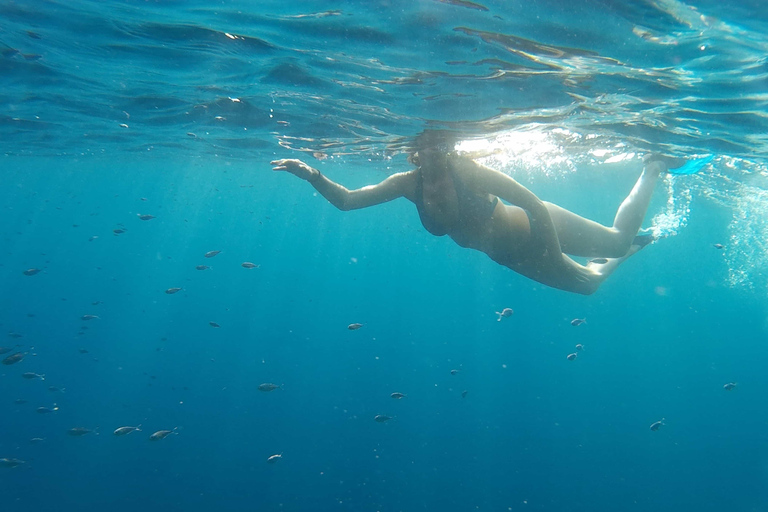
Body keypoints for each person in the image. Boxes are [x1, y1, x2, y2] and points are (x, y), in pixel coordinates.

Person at [270, 132, 680, 295]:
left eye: (438, 147)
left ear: (446, 149)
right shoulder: (405, 184)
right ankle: (625, 254)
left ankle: (652, 167)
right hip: (510, 254)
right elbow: (347, 200)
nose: (429, 153)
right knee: (589, 286)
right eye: (422, 148)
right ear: (413, 151)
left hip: (541, 229)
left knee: (616, 239)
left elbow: (532, 202)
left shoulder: (468, 171)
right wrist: (312, 175)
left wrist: (551, 251)